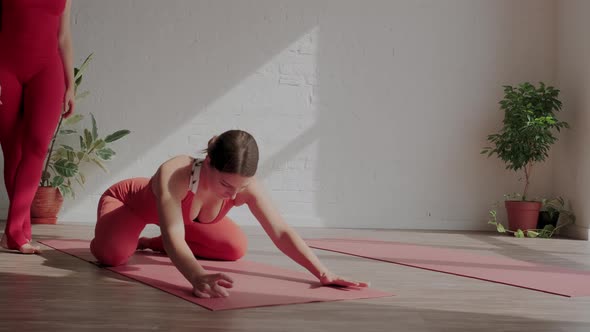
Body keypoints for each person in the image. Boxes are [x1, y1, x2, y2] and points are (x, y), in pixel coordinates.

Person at [90, 129, 368, 298]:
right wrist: (196, 275)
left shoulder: (243, 186)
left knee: (234, 247)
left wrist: (324, 273)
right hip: (129, 204)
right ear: (208, 162)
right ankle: (121, 234)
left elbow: (280, 231)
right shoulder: (175, 173)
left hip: (177, 222)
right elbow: (175, 235)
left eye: (242, 186)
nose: (233, 195)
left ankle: (148, 242)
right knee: (112, 256)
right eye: (225, 184)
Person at [0, 0, 76, 254]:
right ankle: (19, 233)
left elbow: (63, 37)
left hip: (47, 69)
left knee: (37, 146)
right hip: (5, 68)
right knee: (13, 151)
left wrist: (70, 85)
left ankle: (13, 232)